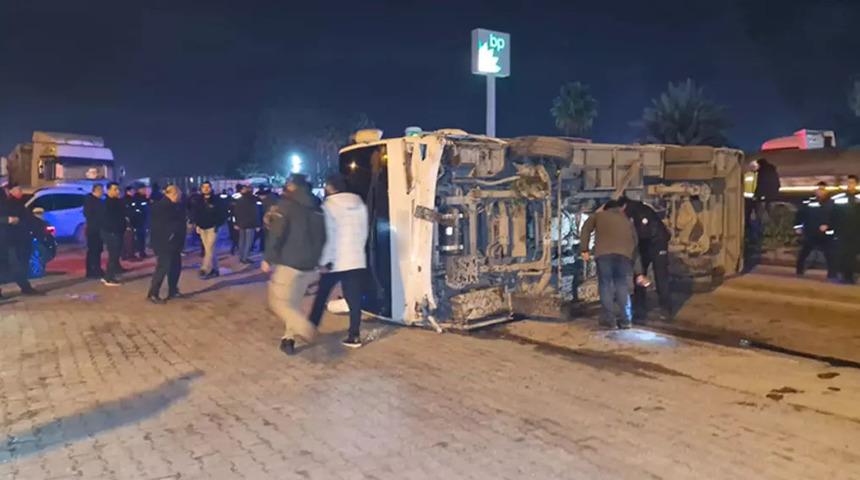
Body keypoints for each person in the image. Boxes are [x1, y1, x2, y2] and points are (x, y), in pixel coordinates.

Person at [262, 174, 326, 355]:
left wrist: (268, 257)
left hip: (289, 261)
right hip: (309, 263)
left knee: (278, 302)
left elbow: (277, 233)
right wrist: (319, 260)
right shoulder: (317, 206)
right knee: (294, 302)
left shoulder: (286, 205)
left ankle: (303, 327)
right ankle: (288, 339)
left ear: (292, 186)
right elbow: (323, 236)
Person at [307, 174, 370, 348]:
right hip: (356, 258)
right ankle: (354, 335)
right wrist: (358, 250)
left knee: (321, 296)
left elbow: (329, 236)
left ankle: (310, 328)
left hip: (335, 261)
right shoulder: (359, 203)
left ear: (330, 187)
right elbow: (364, 231)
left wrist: (324, 261)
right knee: (354, 299)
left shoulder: (328, 206)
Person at [579, 199, 645, 329]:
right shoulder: (627, 221)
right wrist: (639, 271)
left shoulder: (598, 215)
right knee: (622, 286)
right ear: (620, 208)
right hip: (624, 257)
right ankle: (626, 320)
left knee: (606, 286)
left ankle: (610, 320)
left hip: (604, 256)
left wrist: (584, 249)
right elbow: (635, 244)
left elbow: (586, 228)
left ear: (605, 208)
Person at [619, 197, 672, 322]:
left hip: (655, 244)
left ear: (623, 206)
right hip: (654, 244)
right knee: (653, 276)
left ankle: (645, 309)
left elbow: (642, 234)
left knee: (655, 276)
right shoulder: (638, 210)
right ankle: (658, 309)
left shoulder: (638, 213)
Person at [147, 185, 187, 304]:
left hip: (175, 243)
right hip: (165, 243)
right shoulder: (161, 207)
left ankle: (173, 290)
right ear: (173, 194)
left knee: (175, 267)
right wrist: (171, 235)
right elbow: (159, 227)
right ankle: (153, 293)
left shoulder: (175, 205)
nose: (180, 197)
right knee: (163, 268)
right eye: (179, 195)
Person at [0, 185, 42, 296]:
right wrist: (7, 220)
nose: (21, 192)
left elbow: (26, 218)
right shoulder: (7, 203)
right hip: (8, 239)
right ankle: (25, 287)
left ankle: (25, 286)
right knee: (13, 265)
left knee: (16, 264)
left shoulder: (16, 203)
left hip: (15, 238)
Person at [794, 182, 836, 279]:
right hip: (811, 232)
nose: (820, 191)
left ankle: (832, 274)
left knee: (830, 254)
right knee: (804, 253)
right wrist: (798, 227)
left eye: (822, 189)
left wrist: (829, 226)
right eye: (819, 189)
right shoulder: (809, 202)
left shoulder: (832, 203)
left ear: (826, 191)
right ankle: (799, 271)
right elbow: (800, 215)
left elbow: (836, 217)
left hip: (826, 234)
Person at [190, 181, 227, 279]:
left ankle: (205, 268)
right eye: (204, 187)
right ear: (201, 189)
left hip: (213, 227)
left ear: (211, 188)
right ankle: (215, 269)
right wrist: (196, 224)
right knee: (209, 249)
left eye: (208, 187)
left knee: (209, 248)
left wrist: (218, 224)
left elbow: (223, 213)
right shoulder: (198, 200)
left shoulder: (217, 200)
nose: (206, 189)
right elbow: (196, 213)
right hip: (202, 227)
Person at [833, 175, 860, 284]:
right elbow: (834, 215)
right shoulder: (839, 198)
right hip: (842, 232)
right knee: (842, 254)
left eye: (852, 182)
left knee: (853, 255)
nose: (850, 185)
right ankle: (844, 276)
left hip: (856, 233)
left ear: (856, 184)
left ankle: (852, 276)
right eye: (848, 182)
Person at [101, 182, 127, 286]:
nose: (117, 191)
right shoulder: (107, 203)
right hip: (111, 232)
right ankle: (109, 278)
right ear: (108, 190)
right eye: (115, 189)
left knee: (115, 255)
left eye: (118, 189)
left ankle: (110, 275)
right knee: (113, 255)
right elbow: (109, 219)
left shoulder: (117, 201)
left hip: (117, 231)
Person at [83, 184, 106, 279]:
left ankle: (97, 268)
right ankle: (92, 270)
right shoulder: (90, 201)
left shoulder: (98, 201)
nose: (102, 192)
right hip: (93, 230)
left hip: (98, 229)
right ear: (96, 190)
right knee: (93, 250)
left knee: (97, 250)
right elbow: (89, 214)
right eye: (101, 190)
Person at [234, 184, 261, 264]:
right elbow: (256, 213)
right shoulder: (254, 200)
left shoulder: (239, 199)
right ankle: (245, 258)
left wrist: (236, 223)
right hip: (250, 224)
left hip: (241, 223)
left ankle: (241, 256)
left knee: (241, 241)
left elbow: (236, 212)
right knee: (248, 242)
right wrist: (257, 224)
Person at [130, 185, 150, 260]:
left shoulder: (144, 197)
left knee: (143, 237)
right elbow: (135, 210)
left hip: (144, 220)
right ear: (139, 190)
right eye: (143, 189)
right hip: (138, 221)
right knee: (139, 237)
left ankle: (142, 251)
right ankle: (139, 252)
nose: (145, 190)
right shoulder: (136, 198)